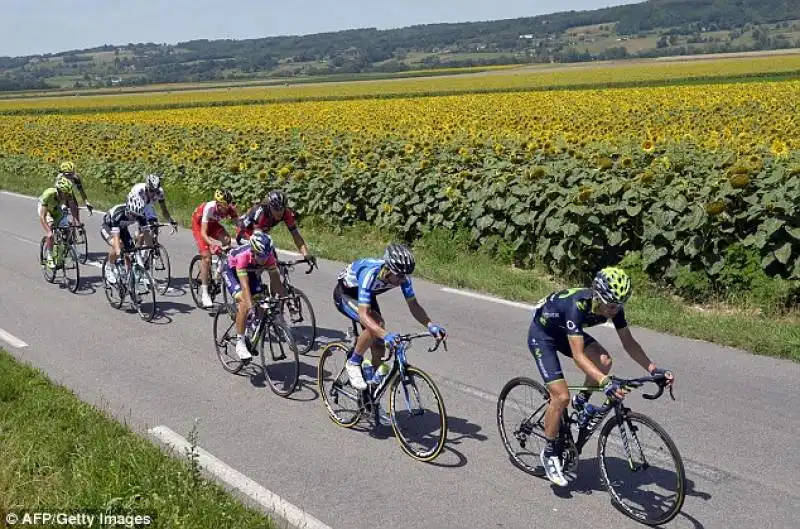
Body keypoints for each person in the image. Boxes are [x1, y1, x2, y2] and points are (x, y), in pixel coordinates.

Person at [528, 266, 675, 487]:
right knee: (561, 397)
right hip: (544, 336)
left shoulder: (614, 307)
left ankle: (582, 400)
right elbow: (578, 355)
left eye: (619, 306)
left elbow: (629, 342)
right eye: (611, 305)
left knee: (604, 361)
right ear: (598, 296)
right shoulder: (577, 305)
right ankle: (549, 453)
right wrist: (604, 382)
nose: (614, 311)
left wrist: (653, 369)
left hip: (567, 333)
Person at [333, 243, 447, 390]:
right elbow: (363, 315)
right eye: (399, 276)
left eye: (405, 276)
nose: (402, 280)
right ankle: (353, 362)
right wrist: (386, 335)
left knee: (379, 346)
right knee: (377, 324)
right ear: (387, 269)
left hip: (367, 296)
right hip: (345, 295)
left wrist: (430, 325)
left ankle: (369, 395)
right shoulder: (370, 274)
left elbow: (414, 306)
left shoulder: (402, 277)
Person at [222, 232, 287, 361]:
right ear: (253, 250)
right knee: (244, 303)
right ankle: (240, 343)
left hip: (251, 272)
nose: (264, 259)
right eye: (260, 255)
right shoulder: (243, 256)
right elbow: (245, 287)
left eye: (266, 256)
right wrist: (250, 306)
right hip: (232, 271)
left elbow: (276, 281)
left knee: (263, 302)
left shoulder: (268, 257)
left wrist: (284, 298)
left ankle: (251, 330)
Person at [191, 188, 239, 308]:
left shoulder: (229, 209)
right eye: (224, 206)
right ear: (218, 204)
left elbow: (240, 226)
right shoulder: (209, 208)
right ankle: (205, 293)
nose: (226, 209)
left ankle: (218, 270)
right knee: (207, 257)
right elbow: (203, 233)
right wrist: (212, 245)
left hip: (213, 225)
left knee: (227, 240)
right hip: (200, 226)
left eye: (228, 205)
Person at [235, 190, 313, 261]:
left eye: (282, 209)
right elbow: (257, 237)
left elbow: (295, 234)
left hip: (261, 232)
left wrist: (306, 255)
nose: (279, 212)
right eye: (276, 209)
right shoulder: (262, 213)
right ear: (269, 206)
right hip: (244, 233)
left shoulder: (286, 213)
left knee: (273, 260)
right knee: (262, 259)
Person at [126, 173, 177, 264]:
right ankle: (136, 253)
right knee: (142, 232)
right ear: (147, 186)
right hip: (136, 205)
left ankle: (150, 249)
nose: (153, 193)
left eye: (155, 190)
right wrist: (143, 227)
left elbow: (164, 210)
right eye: (151, 190)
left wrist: (171, 220)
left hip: (148, 206)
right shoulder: (139, 190)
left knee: (154, 225)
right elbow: (137, 209)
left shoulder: (160, 192)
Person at [99, 201, 139, 286]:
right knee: (119, 244)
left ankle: (128, 279)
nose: (133, 218)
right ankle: (110, 266)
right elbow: (116, 236)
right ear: (127, 211)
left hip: (122, 229)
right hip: (108, 228)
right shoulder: (119, 215)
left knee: (130, 252)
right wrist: (118, 250)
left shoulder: (139, 213)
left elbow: (144, 230)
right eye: (132, 215)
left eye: (136, 216)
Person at [37, 177, 73, 269]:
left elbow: (72, 207)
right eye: (63, 194)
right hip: (46, 210)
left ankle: (63, 251)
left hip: (56, 209)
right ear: (58, 191)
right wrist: (48, 231)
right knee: (51, 233)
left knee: (67, 229)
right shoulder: (48, 194)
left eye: (67, 194)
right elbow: (42, 216)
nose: (65, 196)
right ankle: (49, 256)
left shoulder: (68, 194)